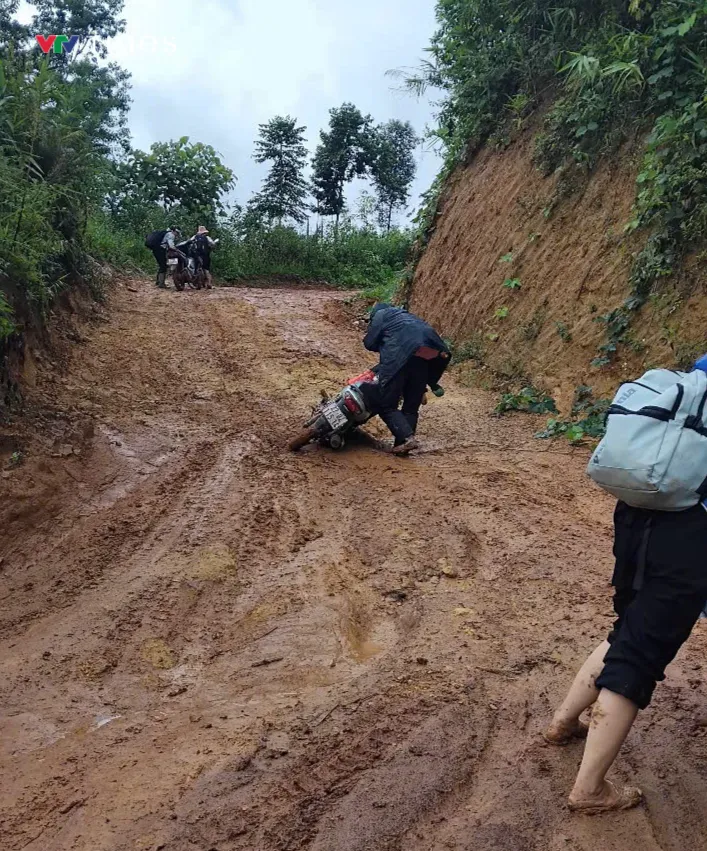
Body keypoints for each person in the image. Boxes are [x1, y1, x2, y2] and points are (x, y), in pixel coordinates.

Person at [544, 353, 707, 814]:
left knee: (629, 627)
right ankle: (590, 790)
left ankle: (563, 721)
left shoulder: (697, 372)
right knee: (641, 652)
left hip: (637, 513)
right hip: (689, 534)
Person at [363, 303, 451, 455]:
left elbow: (369, 342)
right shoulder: (407, 317)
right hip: (423, 362)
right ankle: (402, 447)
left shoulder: (380, 314)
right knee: (411, 407)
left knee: (385, 404)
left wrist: (384, 342)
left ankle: (407, 438)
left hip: (399, 360)